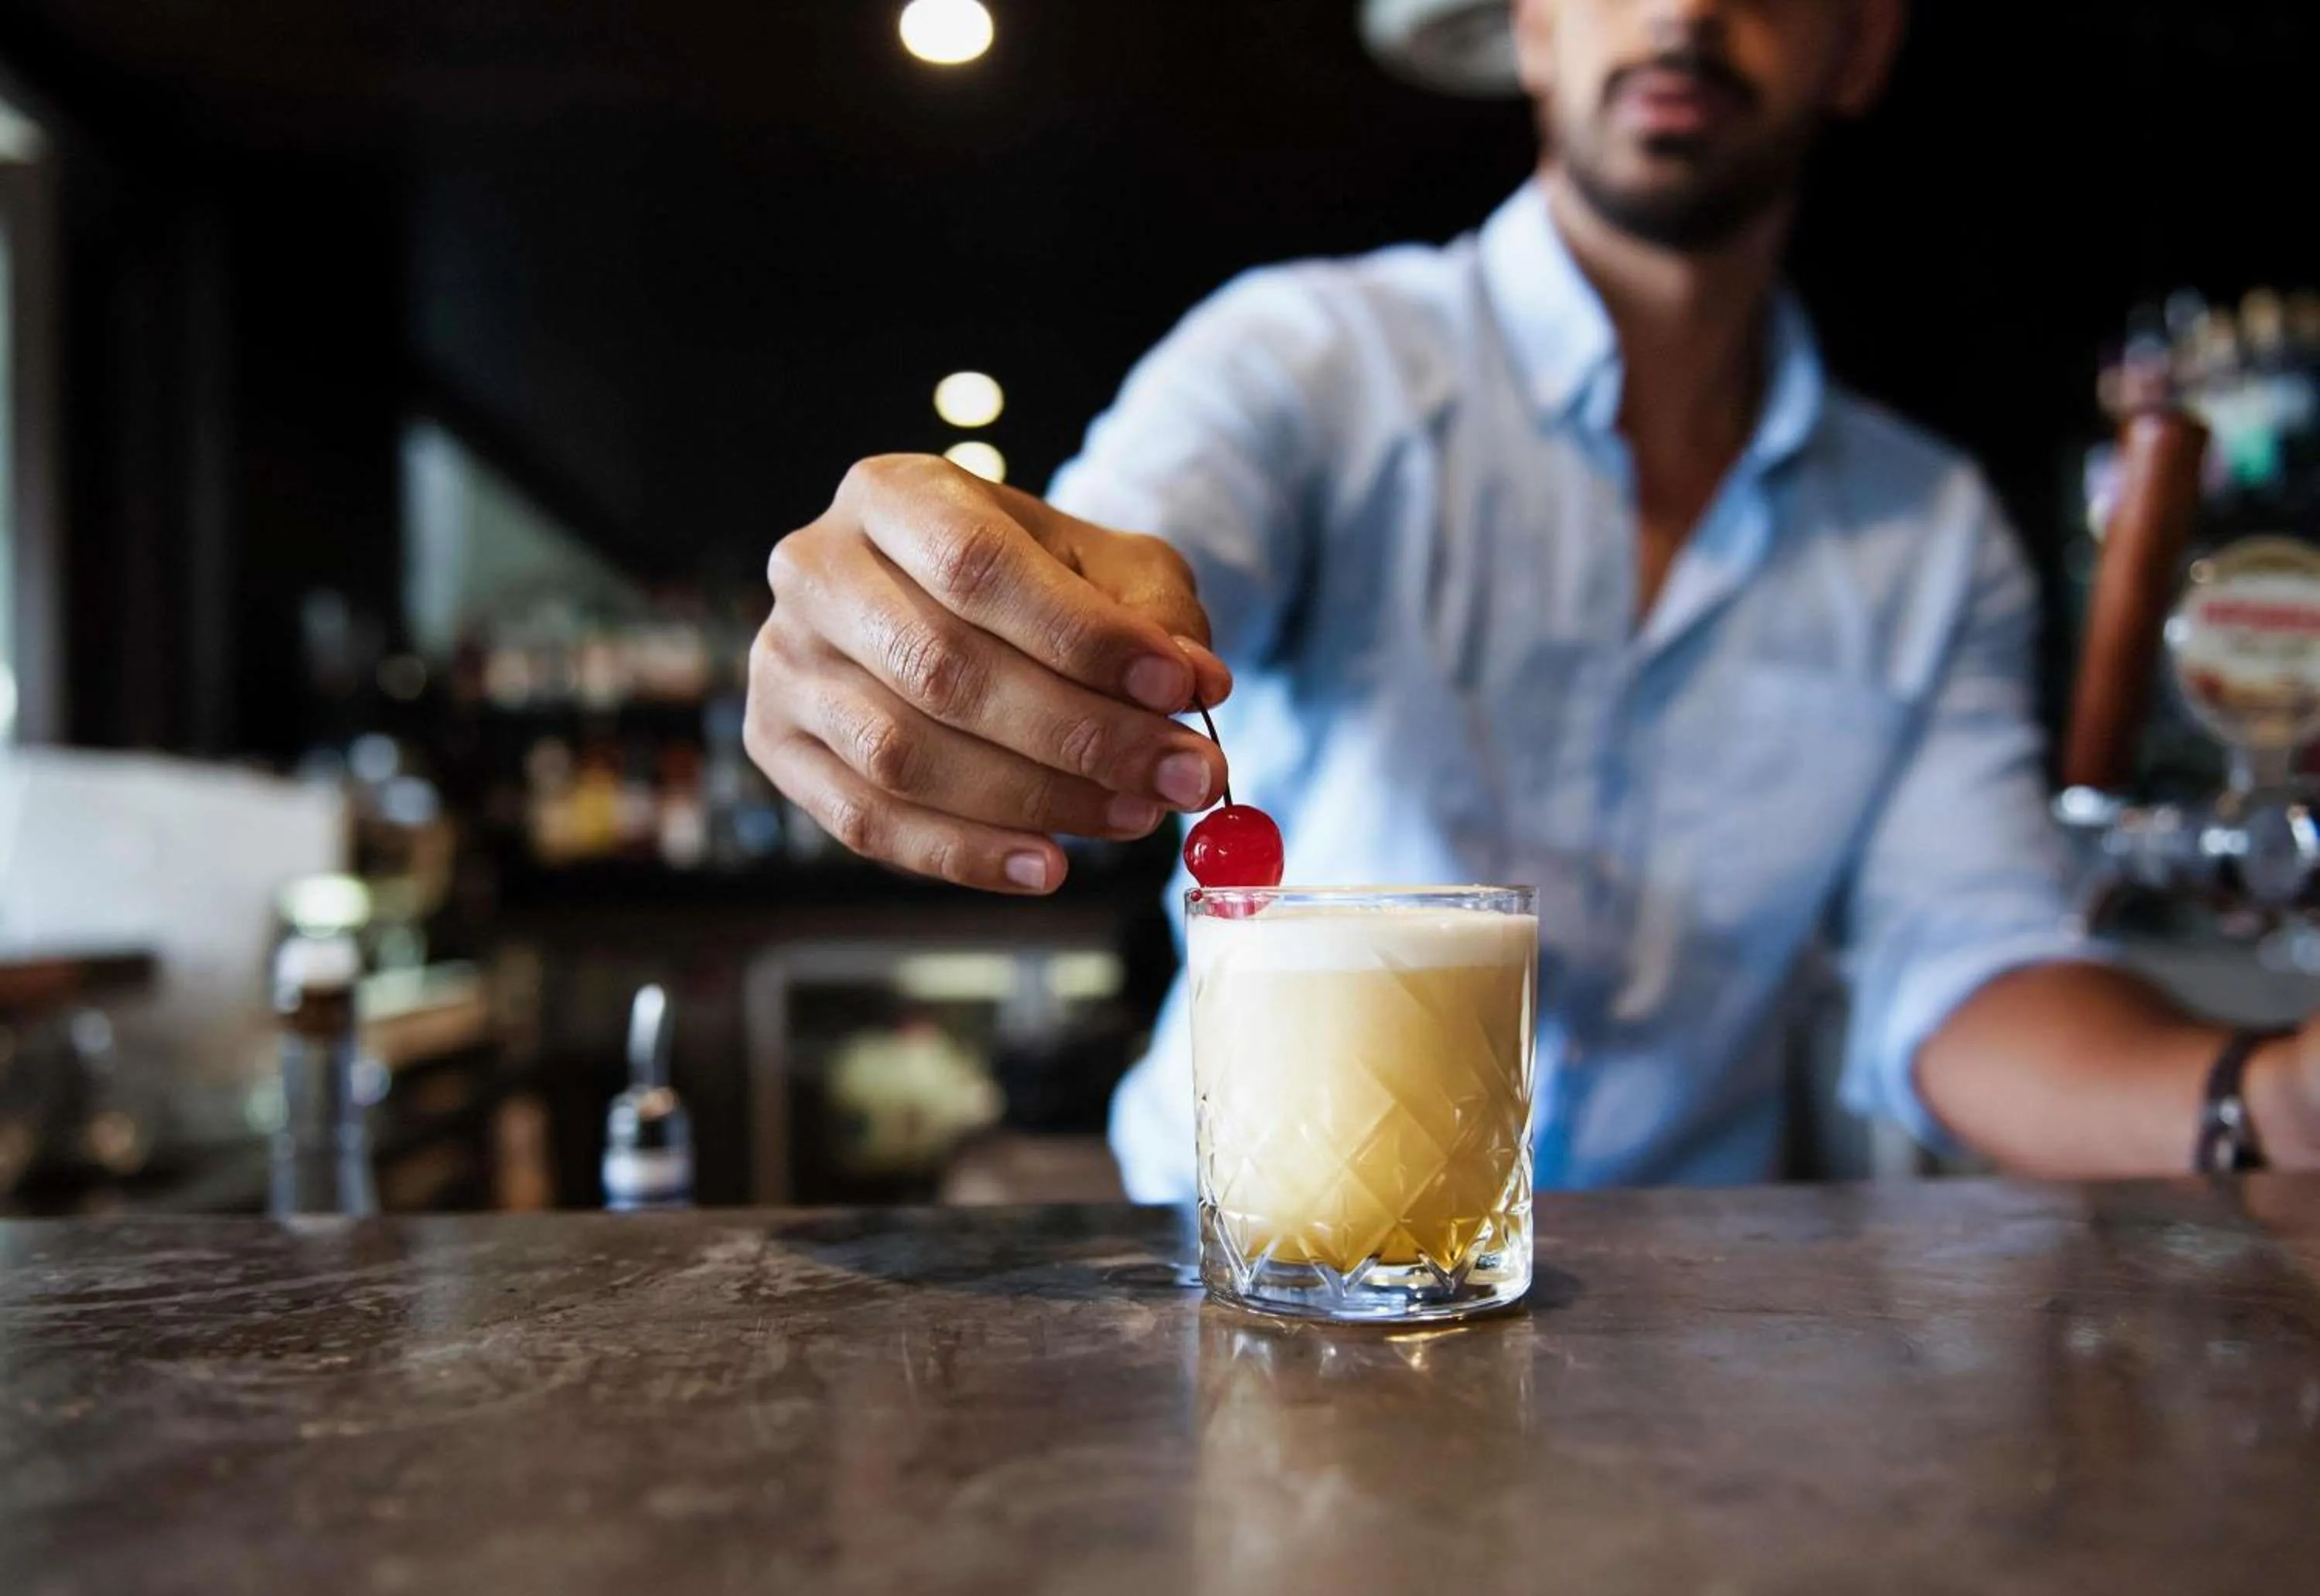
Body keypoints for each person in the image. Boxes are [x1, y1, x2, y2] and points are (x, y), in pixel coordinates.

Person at [748, 0, 2320, 1191]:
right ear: (1530, 27)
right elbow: (1132, 550)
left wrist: (2270, 1102)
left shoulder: (1929, 534)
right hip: (1261, 1264)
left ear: (1860, 46)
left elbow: (1965, 964)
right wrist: (994, 607)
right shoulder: (1309, 361)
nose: (1687, 10)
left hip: (1688, 1346)